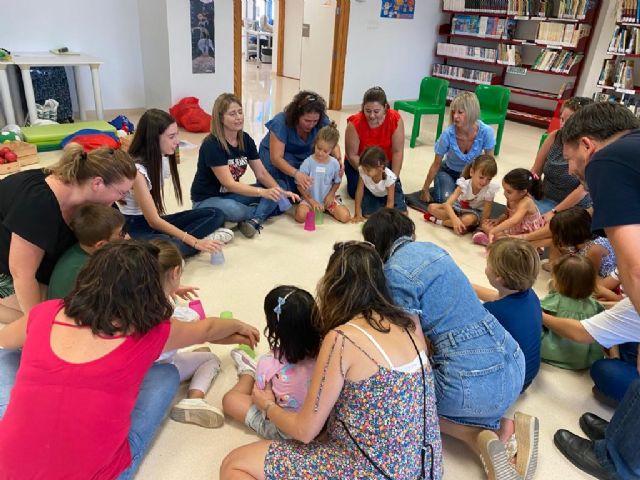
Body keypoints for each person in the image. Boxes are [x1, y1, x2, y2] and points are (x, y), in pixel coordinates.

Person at [0, 241, 260, 479]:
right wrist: (239, 326)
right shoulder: (152, 332)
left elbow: (5, 341)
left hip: (8, 468)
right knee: (165, 375)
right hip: (101, 474)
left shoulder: (47, 312)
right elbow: (209, 329)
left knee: (8, 356)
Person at [220, 241, 443, 479]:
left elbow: (304, 431)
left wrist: (267, 404)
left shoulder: (342, 339)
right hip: (425, 468)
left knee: (235, 464)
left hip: (372, 469)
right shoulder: (409, 321)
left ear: (333, 286)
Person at [363, 208, 538, 480]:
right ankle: (505, 427)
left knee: (401, 398)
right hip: (514, 363)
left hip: (470, 383)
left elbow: (414, 349)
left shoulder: (393, 273)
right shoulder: (433, 249)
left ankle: (484, 436)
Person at [549, 101, 640, 478]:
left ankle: (618, 463)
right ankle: (620, 438)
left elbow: (633, 265)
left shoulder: (608, 162)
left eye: (570, 160)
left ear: (588, 145)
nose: (572, 172)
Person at [0, 144, 137, 324]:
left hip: (37, 259)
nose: (121, 200)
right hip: (6, 268)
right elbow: (22, 275)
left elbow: (123, 240)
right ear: (97, 183)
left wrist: (158, 276)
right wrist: (38, 325)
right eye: (121, 193)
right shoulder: (38, 204)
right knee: (61, 316)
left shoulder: (97, 201)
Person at [118, 108, 230, 257]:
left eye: (177, 134)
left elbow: (157, 220)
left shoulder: (161, 158)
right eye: (171, 136)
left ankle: (186, 242)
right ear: (153, 139)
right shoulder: (138, 172)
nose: (177, 141)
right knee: (167, 251)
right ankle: (194, 242)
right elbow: (154, 222)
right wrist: (194, 242)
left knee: (215, 214)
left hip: (154, 221)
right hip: (135, 225)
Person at [191, 93, 297, 238]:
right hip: (206, 199)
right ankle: (257, 214)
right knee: (239, 210)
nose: (239, 117)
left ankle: (254, 219)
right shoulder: (212, 144)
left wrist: (280, 192)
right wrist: (263, 193)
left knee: (278, 185)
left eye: (240, 112)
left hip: (232, 195)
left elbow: (262, 174)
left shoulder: (245, 139)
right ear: (221, 118)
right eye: (232, 114)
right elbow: (229, 183)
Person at [222, 286, 321, 440]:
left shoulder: (268, 363)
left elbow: (260, 400)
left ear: (274, 327)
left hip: (285, 431)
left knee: (230, 400)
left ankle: (247, 372)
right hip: (320, 427)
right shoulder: (329, 350)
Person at [151, 239, 225, 429]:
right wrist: (239, 327)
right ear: (175, 273)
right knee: (210, 358)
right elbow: (207, 331)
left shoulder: (129, 299)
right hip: (158, 370)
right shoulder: (164, 310)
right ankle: (194, 400)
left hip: (135, 368)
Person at [257, 91, 341, 231]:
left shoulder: (321, 121)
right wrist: (297, 174)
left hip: (302, 157)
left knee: (308, 180)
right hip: (276, 157)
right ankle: (258, 205)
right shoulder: (281, 122)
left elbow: (332, 143)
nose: (311, 125)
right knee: (285, 190)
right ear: (296, 116)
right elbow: (276, 158)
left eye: (315, 121)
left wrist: (338, 159)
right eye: (307, 121)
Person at [473, 238, 542, 392]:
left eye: (488, 264)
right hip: (528, 374)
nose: (485, 268)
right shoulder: (531, 295)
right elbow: (500, 299)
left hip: (508, 385)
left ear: (499, 278)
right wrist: (469, 286)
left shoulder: (493, 312)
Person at [420, 92, 495, 204]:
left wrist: (484, 186)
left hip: (471, 176)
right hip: (448, 172)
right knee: (446, 201)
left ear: (471, 113)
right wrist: (425, 189)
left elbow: (490, 164)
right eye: (453, 111)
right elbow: (436, 164)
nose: (455, 116)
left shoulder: (486, 132)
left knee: (471, 203)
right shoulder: (447, 134)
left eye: (460, 112)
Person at [530, 97, 594, 219]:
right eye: (562, 119)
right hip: (545, 198)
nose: (563, 124)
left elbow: (582, 190)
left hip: (572, 207)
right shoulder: (554, 136)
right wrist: (526, 190)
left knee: (542, 228)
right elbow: (535, 171)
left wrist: (554, 212)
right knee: (518, 211)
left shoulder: (588, 148)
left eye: (569, 121)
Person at [47, 204, 126, 300]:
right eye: (121, 234)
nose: (124, 237)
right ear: (100, 245)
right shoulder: (89, 270)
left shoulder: (81, 249)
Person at [540, 254, 604, 370]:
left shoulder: (555, 300)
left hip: (550, 351)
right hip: (582, 360)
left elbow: (536, 315)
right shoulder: (595, 306)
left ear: (559, 282)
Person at [344, 86, 405, 198]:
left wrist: (393, 179)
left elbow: (397, 151)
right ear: (363, 108)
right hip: (361, 165)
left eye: (376, 111)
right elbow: (351, 155)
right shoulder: (355, 123)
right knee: (358, 193)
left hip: (382, 165)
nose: (371, 116)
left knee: (389, 192)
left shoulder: (395, 119)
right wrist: (369, 173)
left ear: (385, 107)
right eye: (367, 111)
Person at [549, 208, 620, 301]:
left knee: (579, 290)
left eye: (557, 233)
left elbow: (588, 279)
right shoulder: (576, 243)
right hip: (590, 275)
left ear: (570, 233)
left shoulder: (594, 249)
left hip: (606, 280)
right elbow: (553, 266)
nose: (555, 236)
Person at [424, 154, 499, 235]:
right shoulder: (464, 184)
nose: (484, 182)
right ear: (471, 172)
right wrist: (454, 218)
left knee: (467, 220)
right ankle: (459, 224)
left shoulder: (489, 190)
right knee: (431, 207)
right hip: (458, 208)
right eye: (481, 177)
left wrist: (480, 229)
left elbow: (486, 213)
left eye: (489, 179)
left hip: (473, 213)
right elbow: (448, 204)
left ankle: (442, 222)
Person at [295, 125, 350, 224]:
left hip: (328, 200)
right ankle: (315, 209)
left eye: (325, 151)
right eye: (318, 148)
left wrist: (331, 195)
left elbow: (337, 182)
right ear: (315, 143)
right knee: (300, 217)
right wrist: (312, 201)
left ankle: (324, 209)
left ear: (332, 149)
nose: (320, 153)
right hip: (310, 199)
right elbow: (299, 186)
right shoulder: (307, 163)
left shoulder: (334, 164)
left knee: (345, 217)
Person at [478, 168, 545, 245]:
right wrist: (498, 220)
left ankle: (496, 241)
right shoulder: (511, 198)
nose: (505, 194)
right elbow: (507, 214)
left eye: (509, 192)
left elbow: (514, 221)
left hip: (525, 236)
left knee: (500, 236)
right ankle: (497, 241)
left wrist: (494, 230)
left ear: (523, 192)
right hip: (514, 230)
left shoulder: (526, 202)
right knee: (485, 225)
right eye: (504, 190)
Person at [352, 146, 407, 223]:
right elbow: (359, 191)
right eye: (363, 168)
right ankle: (380, 206)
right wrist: (357, 213)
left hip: (391, 194)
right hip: (374, 193)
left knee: (403, 214)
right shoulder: (363, 171)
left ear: (380, 168)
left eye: (368, 170)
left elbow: (390, 201)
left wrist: (384, 219)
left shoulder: (389, 177)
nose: (364, 172)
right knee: (367, 214)